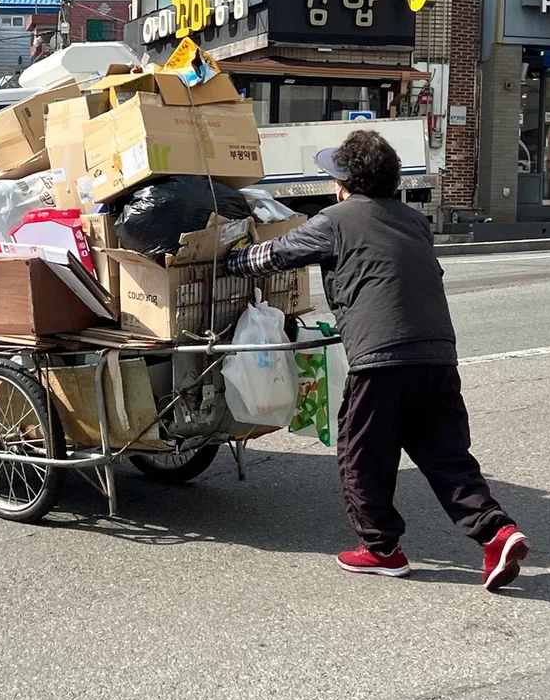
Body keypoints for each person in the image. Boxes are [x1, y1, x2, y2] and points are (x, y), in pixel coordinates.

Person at [226, 130, 530, 591]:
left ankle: (382, 549)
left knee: (362, 453)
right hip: (437, 355)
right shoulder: (414, 221)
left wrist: (230, 260)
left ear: (344, 183)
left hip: (380, 358)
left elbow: (278, 254)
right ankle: (496, 533)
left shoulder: (335, 220)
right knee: (446, 453)